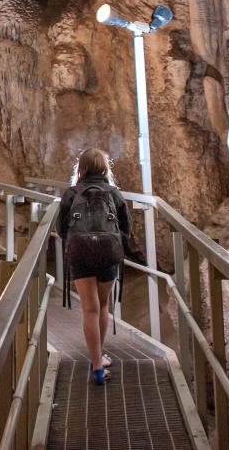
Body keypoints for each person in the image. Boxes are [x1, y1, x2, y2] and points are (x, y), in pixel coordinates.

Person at [58, 148, 131, 385]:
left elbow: (61, 229)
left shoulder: (71, 194)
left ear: (81, 169)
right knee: (102, 307)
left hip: (80, 256)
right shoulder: (113, 193)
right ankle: (99, 357)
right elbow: (126, 228)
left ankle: (97, 365)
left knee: (89, 309)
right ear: (104, 169)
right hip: (107, 255)